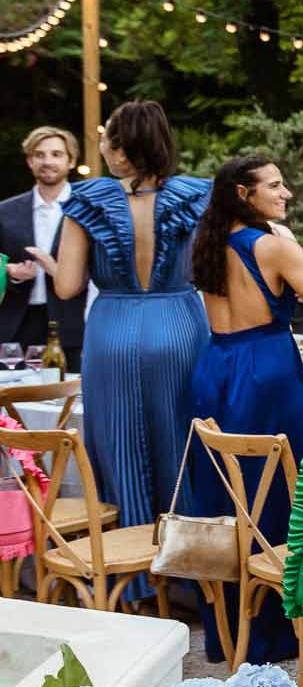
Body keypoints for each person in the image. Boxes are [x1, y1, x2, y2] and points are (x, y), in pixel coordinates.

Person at [188, 157, 303, 666]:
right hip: (266, 369)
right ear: (244, 194)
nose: (286, 192)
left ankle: (229, 631)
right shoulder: (273, 247)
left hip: (215, 365)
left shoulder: (206, 243)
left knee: (225, 493)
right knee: (281, 490)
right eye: (275, 185)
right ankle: (280, 629)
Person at [38, 102, 210, 539]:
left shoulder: (88, 200)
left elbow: (67, 286)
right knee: (183, 443)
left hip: (112, 330)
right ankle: (189, 557)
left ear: (120, 150)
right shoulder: (196, 197)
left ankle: (128, 559)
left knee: (120, 447)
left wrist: (53, 265)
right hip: (179, 325)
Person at [0, 126, 87, 370]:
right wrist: (10, 271)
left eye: (56, 154)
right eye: (39, 155)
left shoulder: (87, 210)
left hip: (72, 326)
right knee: (16, 393)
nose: (48, 161)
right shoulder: (5, 211)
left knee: (70, 392)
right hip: (16, 327)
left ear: (71, 161)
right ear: (30, 161)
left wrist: (60, 271)